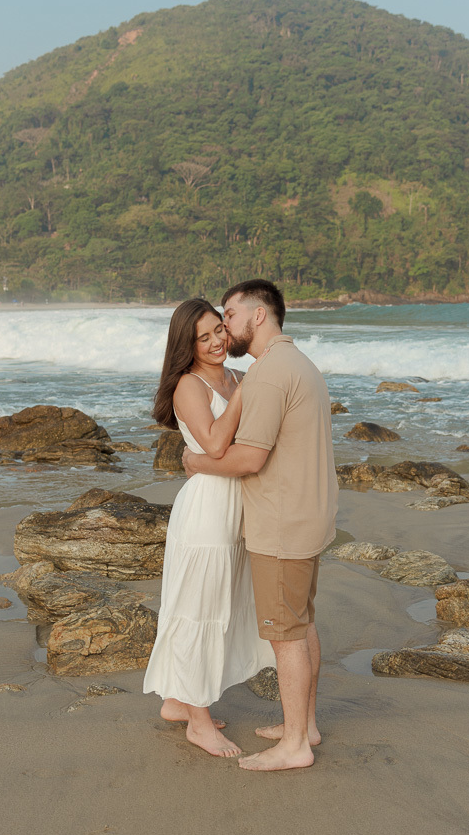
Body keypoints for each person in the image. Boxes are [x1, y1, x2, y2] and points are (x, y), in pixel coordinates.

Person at [183, 280, 338, 771]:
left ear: (258, 315)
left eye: (229, 313)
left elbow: (249, 458)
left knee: (285, 635)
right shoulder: (299, 363)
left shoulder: (269, 373)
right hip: (308, 516)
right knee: (302, 623)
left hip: (281, 523)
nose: (225, 325)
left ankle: (294, 746)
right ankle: (305, 725)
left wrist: (196, 462)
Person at [143, 298, 275, 757]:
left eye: (220, 329)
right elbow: (216, 445)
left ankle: (177, 701)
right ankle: (198, 722)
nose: (219, 341)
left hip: (239, 506)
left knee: (218, 606)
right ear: (188, 345)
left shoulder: (237, 376)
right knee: (199, 610)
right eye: (205, 337)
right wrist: (246, 387)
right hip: (206, 513)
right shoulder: (189, 385)